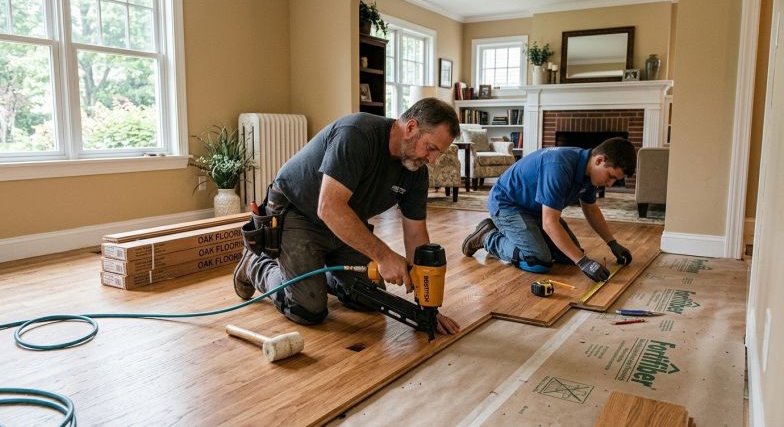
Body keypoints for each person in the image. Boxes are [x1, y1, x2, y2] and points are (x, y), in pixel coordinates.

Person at [233, 98, 461, 335]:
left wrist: (427, 308)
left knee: (370, 297)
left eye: (438, 153)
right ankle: (255, 263)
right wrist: (384, 256)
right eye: (431, 148)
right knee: (307, 309)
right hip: (299, 211)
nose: (432, 160)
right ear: (411, 128)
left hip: (344, 219)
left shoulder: (415, 172)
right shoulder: (357, 134)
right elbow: (329, 207)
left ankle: (320, 276)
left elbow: (415, 233)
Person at [461, 137, 636, 282]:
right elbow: (550, 223)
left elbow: (591, 209)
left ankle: (530, 240)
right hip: (508, 205)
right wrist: (583, 263)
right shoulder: (560, 166)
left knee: (570, 257)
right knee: (538, 261)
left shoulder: (590, 175)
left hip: (537, 210)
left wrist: (612, 243)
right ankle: (487, 236)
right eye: (611, 176)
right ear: (599, 160)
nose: (609, 184)